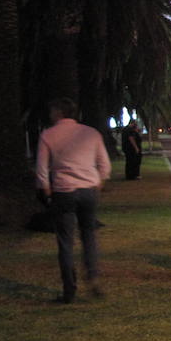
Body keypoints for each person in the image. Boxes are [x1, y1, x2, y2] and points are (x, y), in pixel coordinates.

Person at [35, 97, 112, 303]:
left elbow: (42, 169)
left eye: (52, 111)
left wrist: (47, 191)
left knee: (65, 241)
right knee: (88, 235)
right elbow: (104, 165)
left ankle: (69, 289)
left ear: (58, 112)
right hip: (88, 190)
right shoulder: (91, 133)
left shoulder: (48, 135)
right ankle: (93, 275)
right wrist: (98, 184)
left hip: (64, 191)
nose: (50, 115)